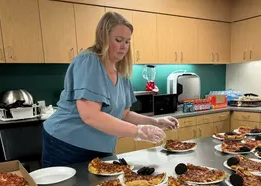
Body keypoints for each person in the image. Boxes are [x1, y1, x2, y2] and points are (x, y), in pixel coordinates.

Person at [42, 12, 179, 167]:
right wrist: (138, 132)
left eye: (127, 41)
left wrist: (156, 122)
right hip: (66, 145)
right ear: (103, 37)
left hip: (101, 146)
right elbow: (90, 115)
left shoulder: (122, 72)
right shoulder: (89, 61)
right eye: (118, 40)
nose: (123, 47)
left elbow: (124, 114)